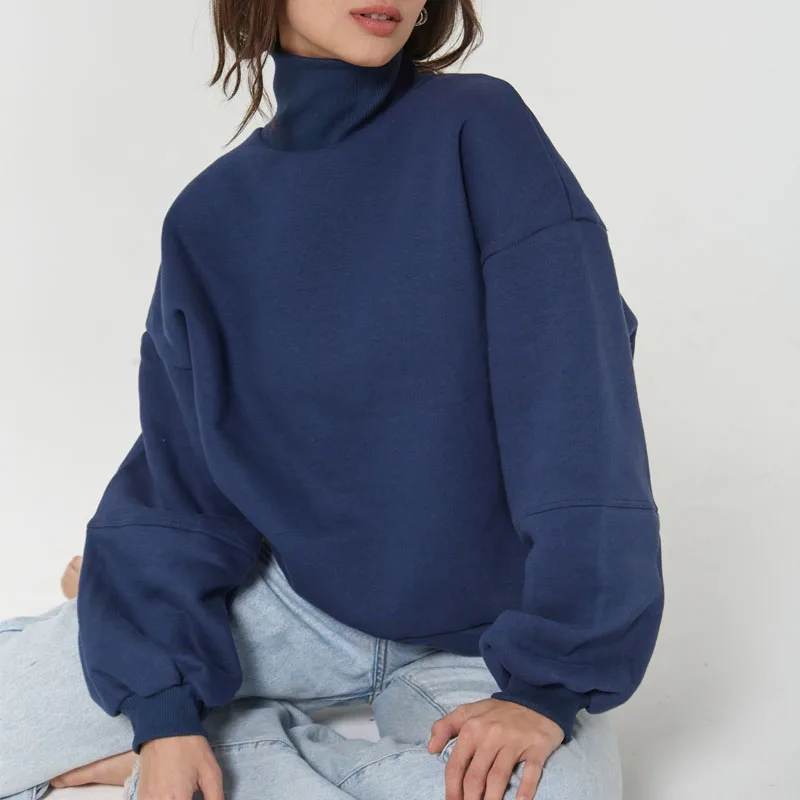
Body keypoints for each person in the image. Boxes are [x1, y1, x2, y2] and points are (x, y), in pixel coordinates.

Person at [0, 1, 665, 799]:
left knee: (562, 792)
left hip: (486, 640)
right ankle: (125, 630)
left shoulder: (479, 131)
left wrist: (547, 683)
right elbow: (181, 480)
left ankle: (240, 745)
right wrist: (163, 705)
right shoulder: (209, 218)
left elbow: (578, 413)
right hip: (288, 606)